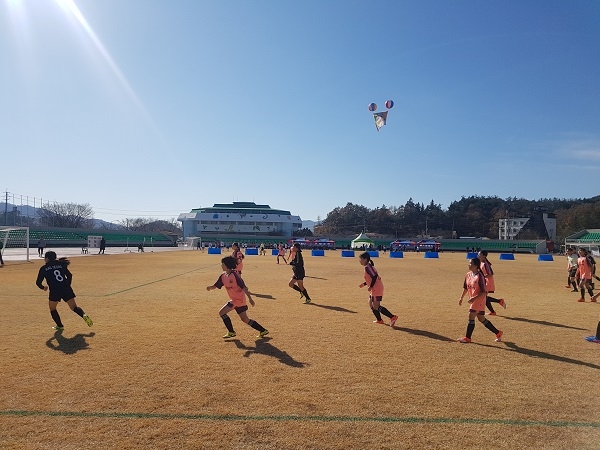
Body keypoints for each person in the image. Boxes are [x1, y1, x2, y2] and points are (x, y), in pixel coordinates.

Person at [206, 256, 269, 339]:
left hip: (238, 300)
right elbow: (216, 285)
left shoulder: (234, 275)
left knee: (222, 312)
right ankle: (263, 330)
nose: (221, 265)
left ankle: (231, 332)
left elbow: (244, 287)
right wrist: (210, 287)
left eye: (222, 264)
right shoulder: (223, 276)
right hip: (236, 300)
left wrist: (250, 299)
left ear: (227, 265)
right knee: (245, 319)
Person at [35, 251, 93, 330]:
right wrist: (67, 285)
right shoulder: (61, 264)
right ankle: (84, 315)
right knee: (74, 307)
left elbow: (38, 282)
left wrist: (43, 287)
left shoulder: (44, 268)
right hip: (66, 288)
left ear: (47, 258)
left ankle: (60, 325)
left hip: (55, 290)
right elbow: (69, 275)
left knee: (52, 308)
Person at [457, 257, 503, 343]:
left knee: (471, 315)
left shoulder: (480, 276)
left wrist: (474, 298)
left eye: (470, 263)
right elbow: (465, 288)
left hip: (479, 300)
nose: (468, 265)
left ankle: (468, 338)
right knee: (481, 318)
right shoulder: (468, 275)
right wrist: (461, 297)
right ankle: (498, 332)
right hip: (474, 299)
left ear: (475, 266)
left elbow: (484, 292)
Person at [359, 252, 398, 326]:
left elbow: (374, 277)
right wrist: (364, 284)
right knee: (371, 303)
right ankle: (379, 320)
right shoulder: (368, 266)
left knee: (376, 306)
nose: (360, 261)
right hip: (374, 287)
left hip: (376, 288)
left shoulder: (368, 267)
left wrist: (370, 286)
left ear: (365, 259)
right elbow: (371, 279)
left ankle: (392, 317)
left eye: (360, 259)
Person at [477, 250, 506, 315]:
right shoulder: (482, 263)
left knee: (483, 297)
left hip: (488, 281)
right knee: (484, 298)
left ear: (484, 256)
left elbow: (490, 274)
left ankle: (498, 302)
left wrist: (482, 276)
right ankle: (494, 310)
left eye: (479, 254)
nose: (478, 255)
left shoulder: (485, 264)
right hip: (485, 281)